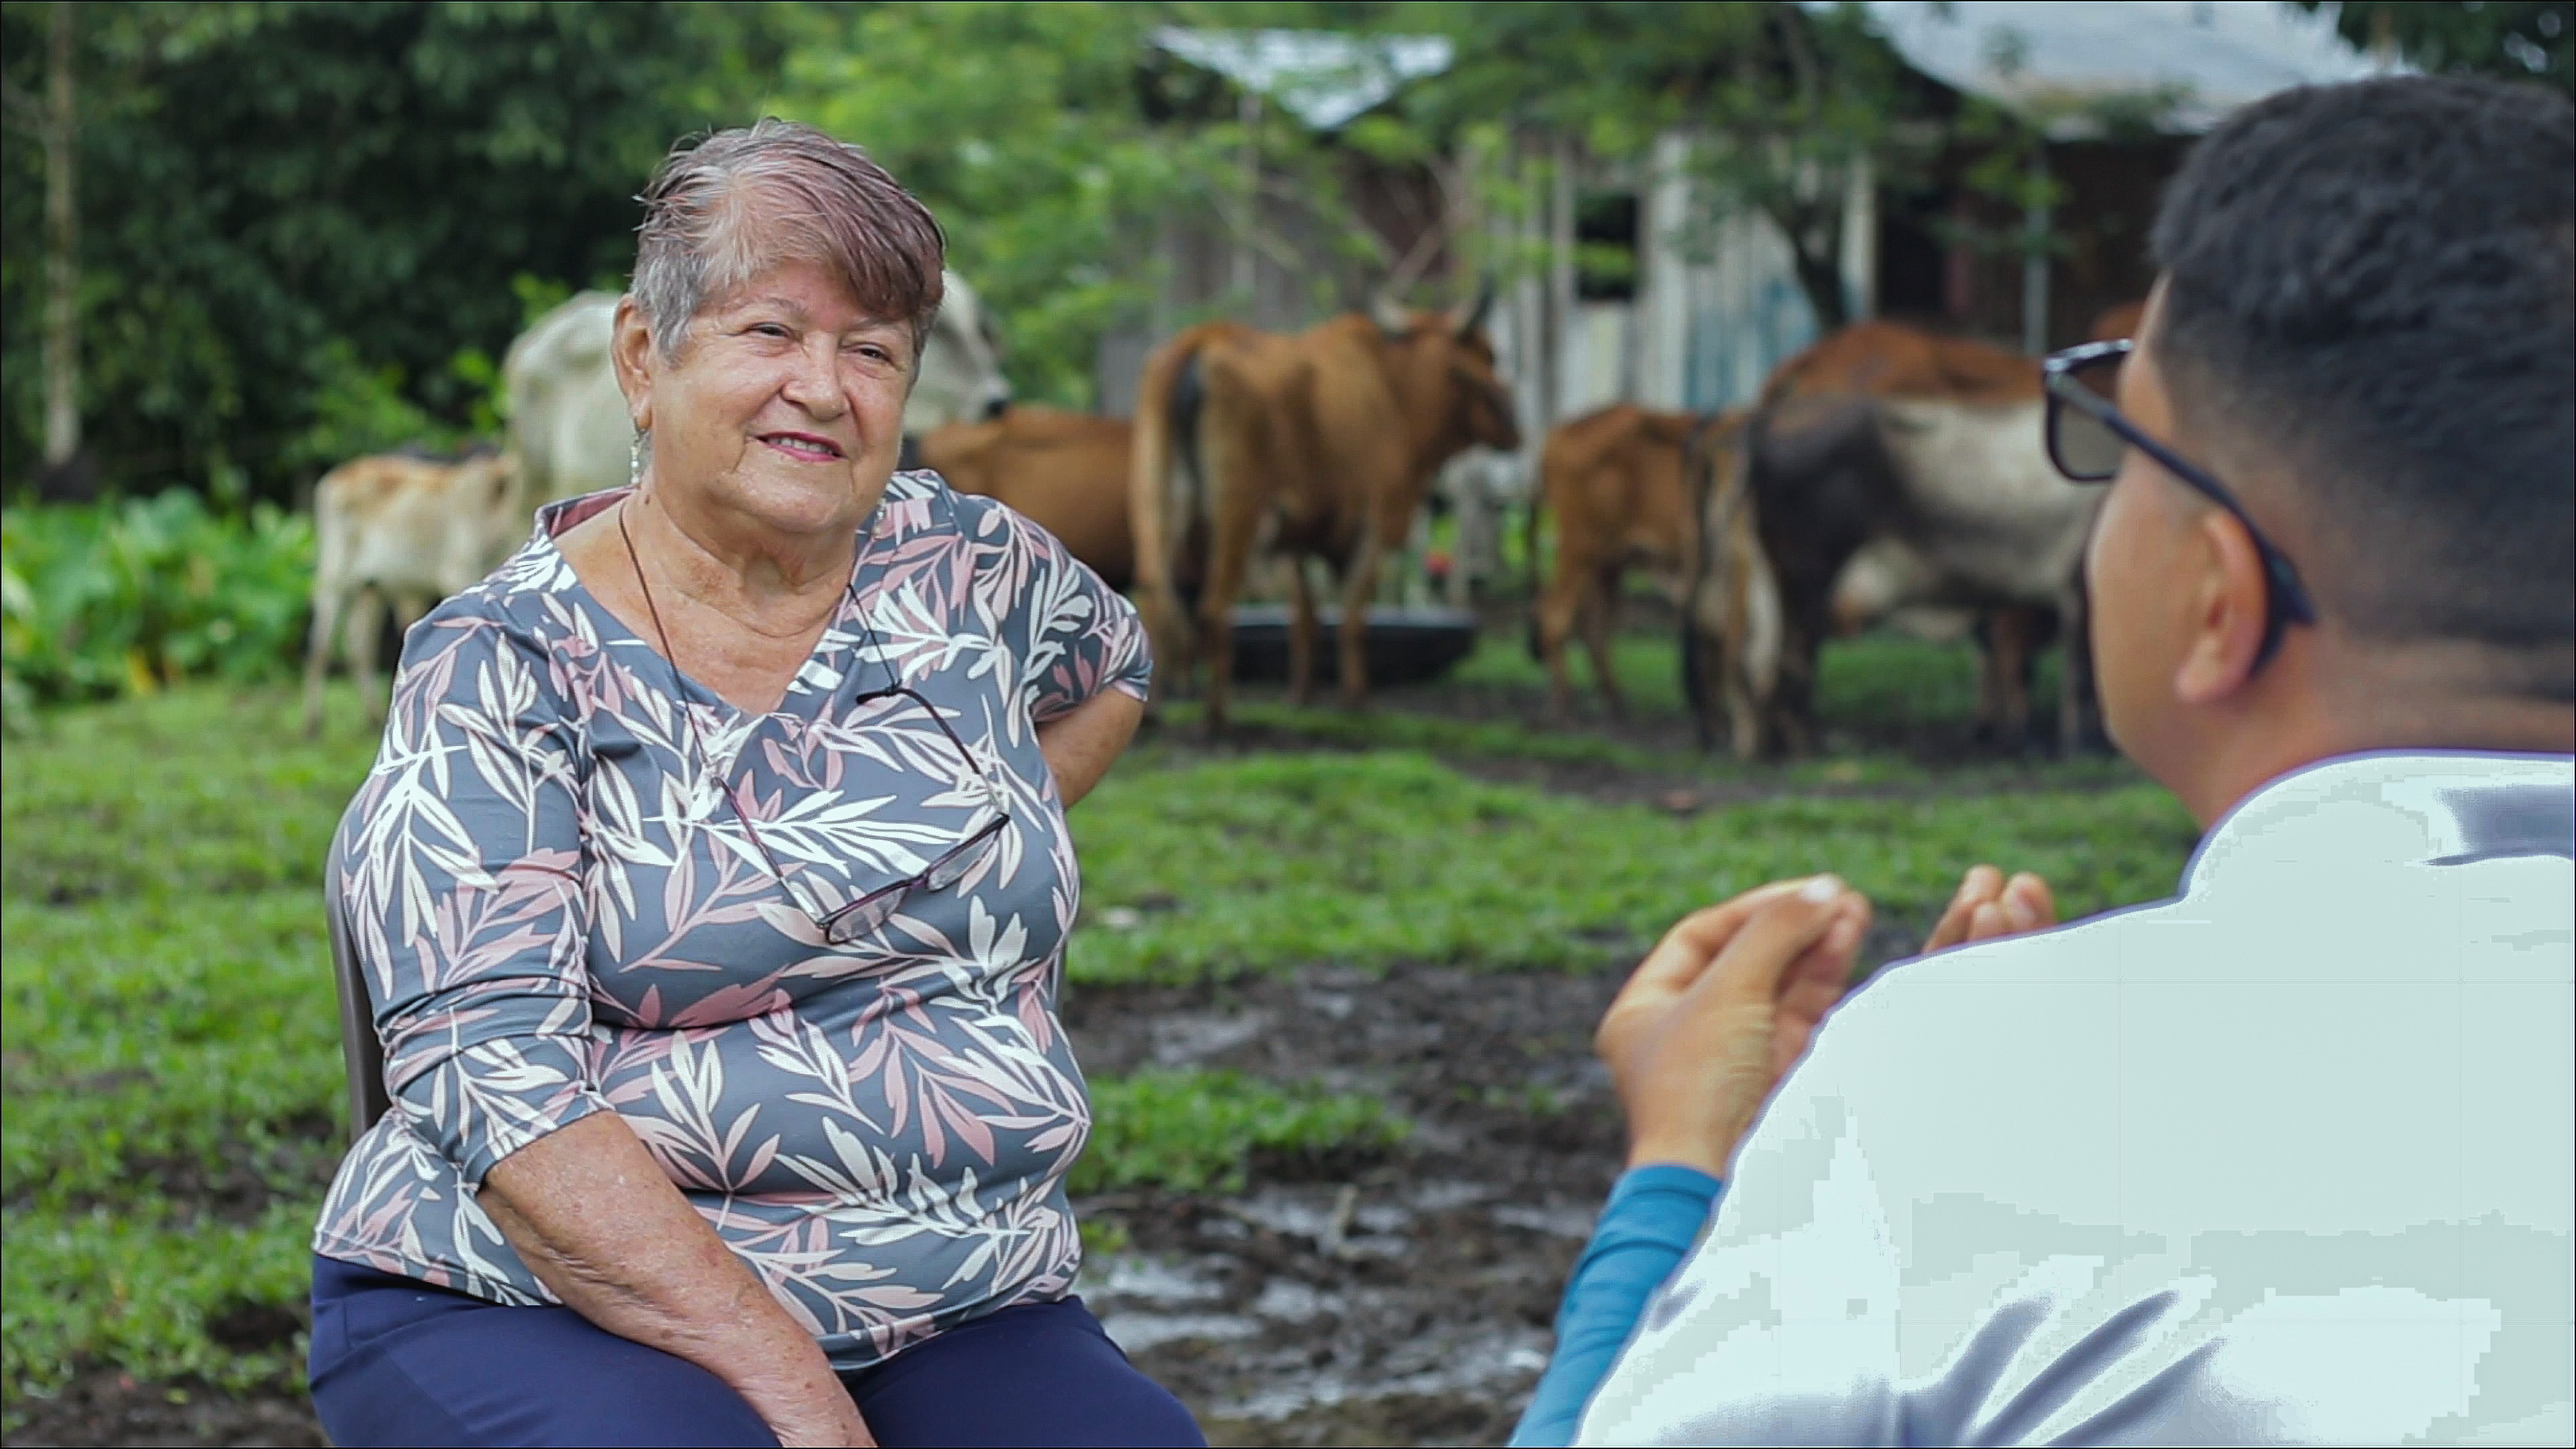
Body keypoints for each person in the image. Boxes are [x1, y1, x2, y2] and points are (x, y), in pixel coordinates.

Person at [1515, 74, 2573, 1447]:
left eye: (2117, 437)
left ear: (2217, 601)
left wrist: (1684, 1168)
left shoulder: (1949, 1092)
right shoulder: (1983, 1080)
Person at [305, 120, 1202, 1449]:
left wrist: (977, 845)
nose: (825, 388)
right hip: (536, 1292)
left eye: (873, 350)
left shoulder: (968, 567)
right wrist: (793, 1390)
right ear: (641, 363)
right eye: (769, 333)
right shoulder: (503, 664)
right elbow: (497, 1087)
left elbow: (1115, 666)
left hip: (953, 1294)